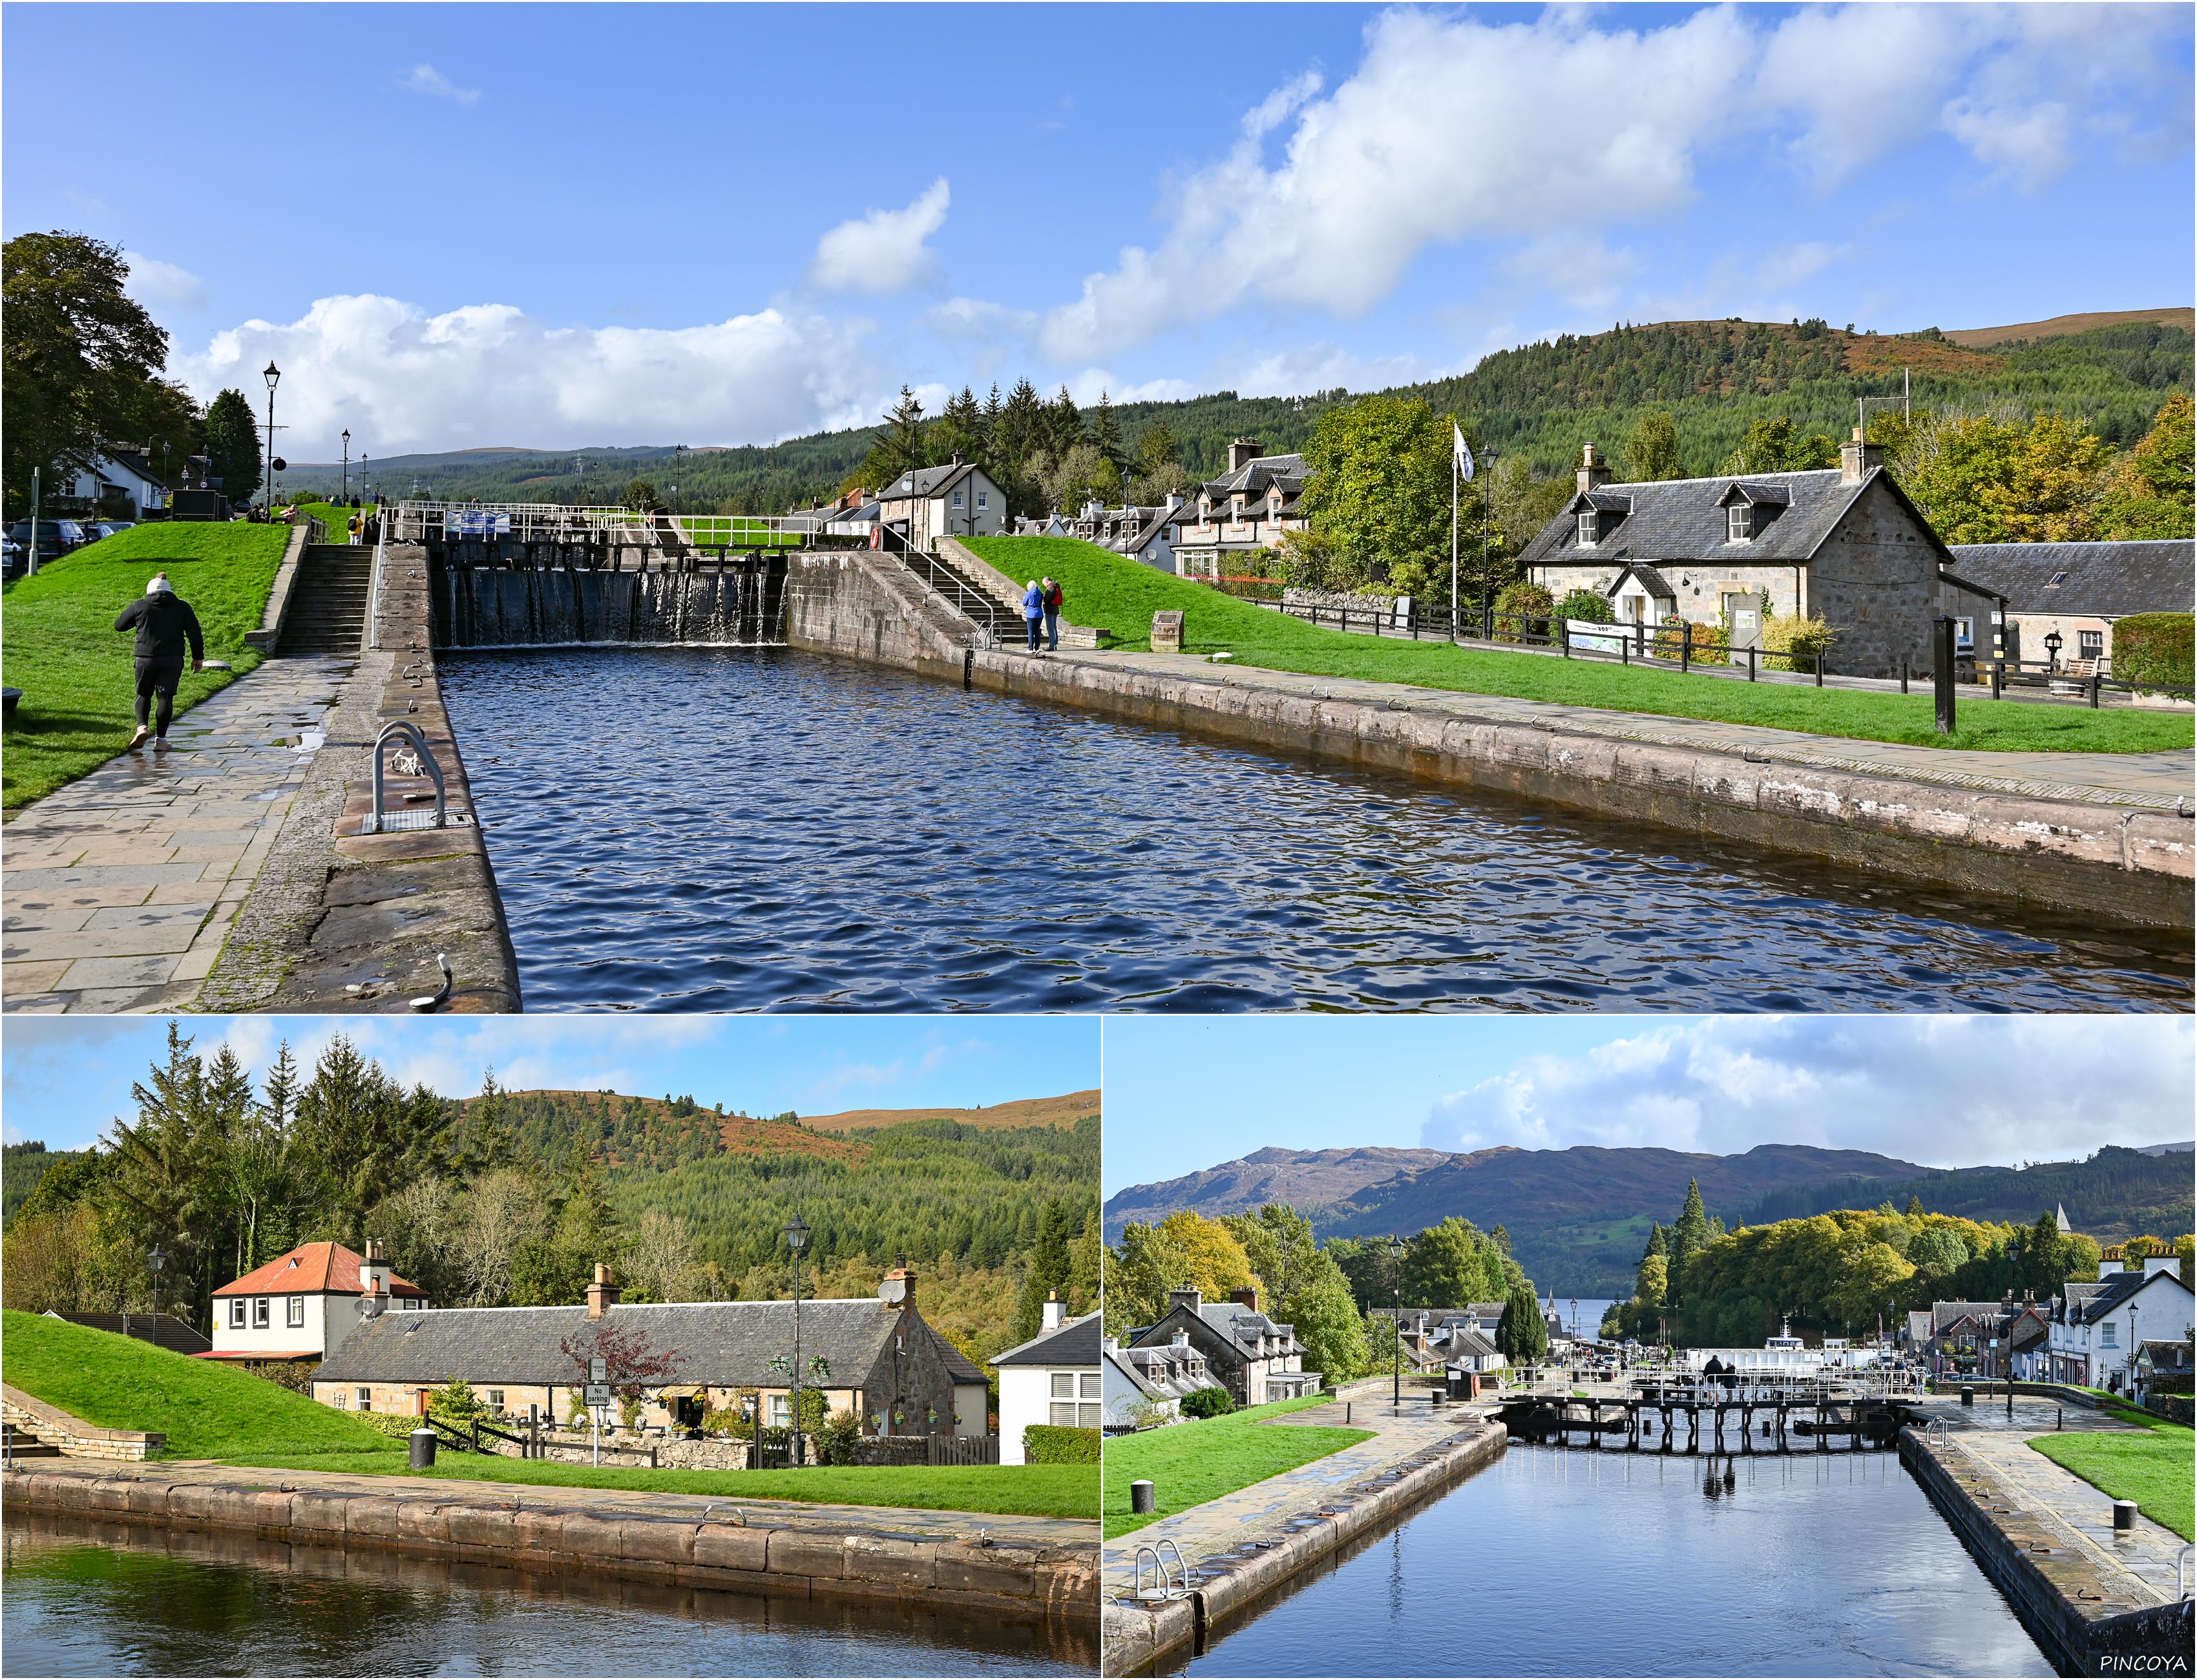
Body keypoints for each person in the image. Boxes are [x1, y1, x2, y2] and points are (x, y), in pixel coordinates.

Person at [112, 573, 204, 751]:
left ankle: (142, 727)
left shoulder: (140, 606)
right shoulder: (182, 607)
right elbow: (194, 632)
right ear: (169, 591)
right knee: (165, 696)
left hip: (145, 658)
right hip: (172, 659)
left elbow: (119, 626)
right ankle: (160, 740)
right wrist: (198, 657)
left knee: (144, 694)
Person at [1022, 578, 1044, 652]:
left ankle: (1030, 648)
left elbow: (1024, 603)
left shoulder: (1028, 594)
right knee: (1037, 631)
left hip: (1031, 614)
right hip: (1039, 613)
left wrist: (1024, 599)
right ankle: (1037, 647)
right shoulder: (1040, 593)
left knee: (1031, 632)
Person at [1042, 576, 1064, 651]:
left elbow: (1047, 599)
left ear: (1047, 582)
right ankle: (1055, 644)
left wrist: (1043, 597)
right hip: (1055, 609)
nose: (1044, 585)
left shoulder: (1050, 588)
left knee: (1050, 628)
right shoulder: (1056, 586)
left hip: (1050, 610)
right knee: (1054, 627)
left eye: (1044, 583)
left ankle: (1051, 646)